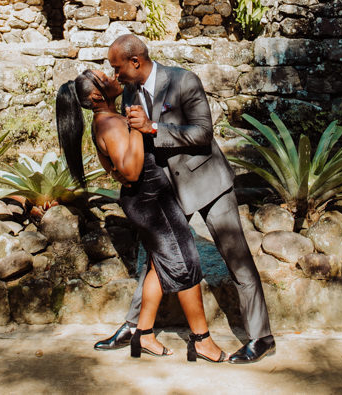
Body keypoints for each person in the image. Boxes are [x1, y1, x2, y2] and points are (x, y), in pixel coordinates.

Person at [96, 34, 275, 364]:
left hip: (207, 183)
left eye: (117, 67)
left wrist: (153, 128)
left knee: (236, 257)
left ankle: (261, 337)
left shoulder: (183, 81)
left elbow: (203, 133)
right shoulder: (130, 93)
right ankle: (136, 328)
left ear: (135, 61)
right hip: (167, 190)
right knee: (157, 259)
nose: (115, 75)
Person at [56, 68, 227, 362]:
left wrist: (133, 131)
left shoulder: (105, 121)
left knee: (159, 265)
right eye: (105, 77)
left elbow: (113, 167)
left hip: (146, 200)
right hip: (151, 201)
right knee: (185, 262)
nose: (112, 76)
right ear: (97, 96)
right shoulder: (109, 123)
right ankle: (201, 340)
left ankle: (144, 334)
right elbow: (131, 172)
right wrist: (138, 127)